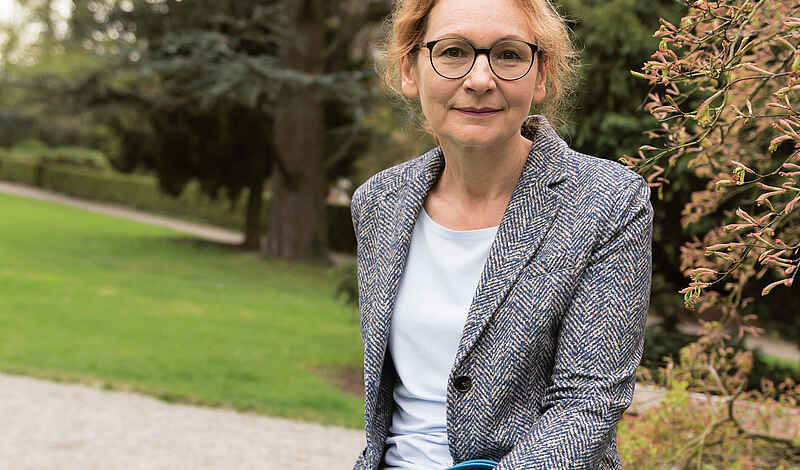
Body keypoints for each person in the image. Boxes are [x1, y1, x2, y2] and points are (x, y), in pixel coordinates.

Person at [349, 0, 653, 468]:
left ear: (541, 76)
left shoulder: (608, 202)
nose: (479, 79)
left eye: (509, 55)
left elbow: (588, 402)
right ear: (410, 70)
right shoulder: (380, 202)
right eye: (452, 52)